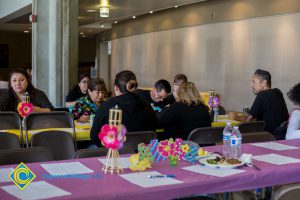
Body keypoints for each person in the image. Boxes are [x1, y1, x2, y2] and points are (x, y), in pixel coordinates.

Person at [90, 70, 157, 147]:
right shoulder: (147, 106)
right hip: (142, 155)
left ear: (116, 88)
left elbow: (94, 137)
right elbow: (152, 132)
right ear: (134, 87)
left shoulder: (106, 106)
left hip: (114, 155)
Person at [229, 69, 289, 137]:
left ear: (264, 83)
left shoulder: (262, 95)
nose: (252, 86)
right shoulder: (277, 92)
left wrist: (235, 117)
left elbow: (248, 120)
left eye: (254, 82)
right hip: (281, 136)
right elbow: (256, 116)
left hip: (266, 137)